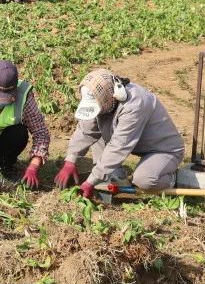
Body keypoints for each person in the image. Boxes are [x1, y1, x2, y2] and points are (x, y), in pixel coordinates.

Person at [55, 68, 185, 198]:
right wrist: (70, 162)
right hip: (135, 142)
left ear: (107, 98)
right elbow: (85, 130)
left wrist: (90, 182)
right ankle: (117, 176)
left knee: (144, 180)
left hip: (163, 149)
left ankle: (171, 177)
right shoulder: (105, 98)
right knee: (98, 127)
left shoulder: (135, 104)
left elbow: (119, 146)